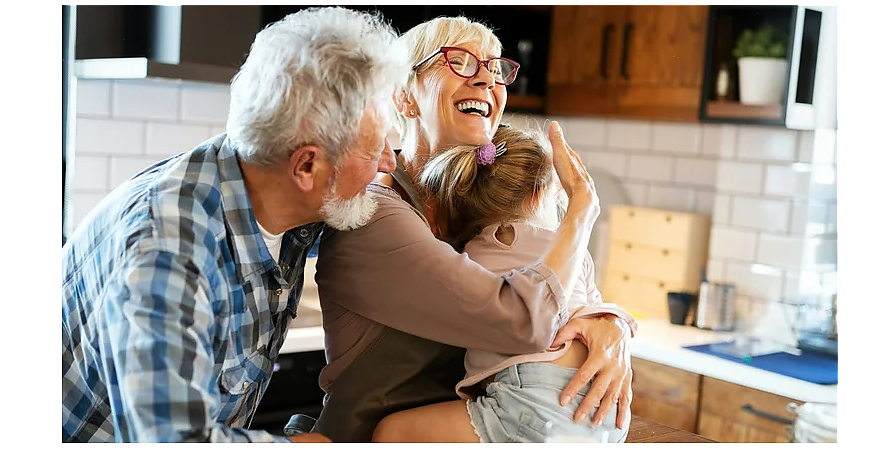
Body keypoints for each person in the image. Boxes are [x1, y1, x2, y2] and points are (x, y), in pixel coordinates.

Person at [61, 7, 408, 443]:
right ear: (306, 166)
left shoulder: (274, 190)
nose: (388, 162)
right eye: (375, 149)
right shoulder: (168, 249)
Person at [310, 16, 636, 442]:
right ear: (404, 97)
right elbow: (524, 320)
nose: (486, 79)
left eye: (495, 68)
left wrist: (610, 323)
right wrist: (581, 212)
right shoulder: (374, 212)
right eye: (459, 61)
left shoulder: (490, 206)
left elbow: (570, 288)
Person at [371, 124, 637, 443]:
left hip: (533, 397)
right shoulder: (573, 250)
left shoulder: (469, 253)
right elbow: (600, 310)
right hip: (607, 411)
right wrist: (617, 322)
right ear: (538, 196)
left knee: (392, 432)